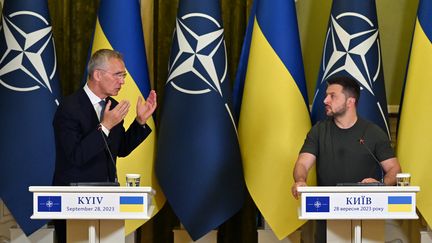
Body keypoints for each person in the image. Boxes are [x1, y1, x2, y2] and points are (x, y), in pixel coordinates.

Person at [52, 49, 157, 243]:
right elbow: (76, 156)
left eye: (124, 76)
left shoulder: (112, 105)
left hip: (108, 202)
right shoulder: (69, 107)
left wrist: (140, 122)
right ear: (98, 75)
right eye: (118, 75)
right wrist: (106, 126)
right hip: (75, 203)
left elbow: (120, 148)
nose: (123, 81)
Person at [291, 76, 401, 242]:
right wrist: (300, 180)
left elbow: (395, 169)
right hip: (326, 214)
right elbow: (302, 163)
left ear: (350, 101)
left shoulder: (373, 133)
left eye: (332, 96)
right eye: (326, 95)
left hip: (367, 216)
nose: (325, 100)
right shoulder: (319, 131)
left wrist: (381, 184)